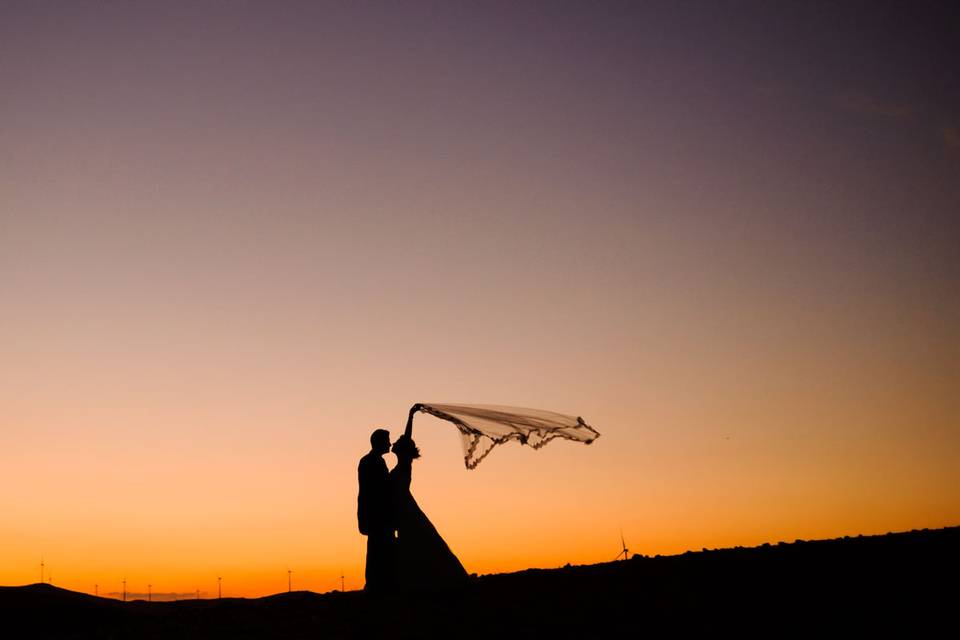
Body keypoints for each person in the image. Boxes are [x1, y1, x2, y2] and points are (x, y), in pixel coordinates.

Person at [390, 403, 469, 590]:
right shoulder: (400, 464)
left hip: (407, 512)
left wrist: (411, 416)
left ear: (402, 449)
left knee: (418, 545)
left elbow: (407, 437)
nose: (393, 443)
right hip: (405, 512)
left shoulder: (404, 465)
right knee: (418, 546)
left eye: (397, 442)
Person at [357, 428, 395, 592]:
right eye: (387, 440)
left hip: (374, 514)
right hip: (377, 514)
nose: (390, 443)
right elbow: (380, 488)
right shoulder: (374, 462)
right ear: (379, 442)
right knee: (379, 548)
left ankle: (376, 583)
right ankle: (377, 584)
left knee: (376, 548)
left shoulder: (368, 460)